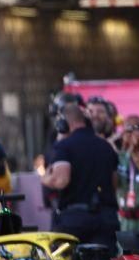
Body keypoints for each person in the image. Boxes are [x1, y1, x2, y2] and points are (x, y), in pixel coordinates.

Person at [41, 103, 119, 248]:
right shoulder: (107, 147)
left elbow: (61, 181)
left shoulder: (64, 146)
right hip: (106, 219)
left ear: (63, 123)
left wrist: (45, 179)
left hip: (75, 220)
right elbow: (115, 184)